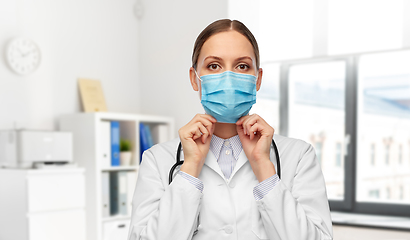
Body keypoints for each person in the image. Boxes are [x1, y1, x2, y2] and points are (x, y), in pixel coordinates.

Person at [128, 19, 333, 240]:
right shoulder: (157, 160)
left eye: (242, 66)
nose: (227, 78)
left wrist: (264, 167)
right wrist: (190, 168)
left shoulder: (299, 156)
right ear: (194, 78)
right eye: (214, 66)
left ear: (257, 79)